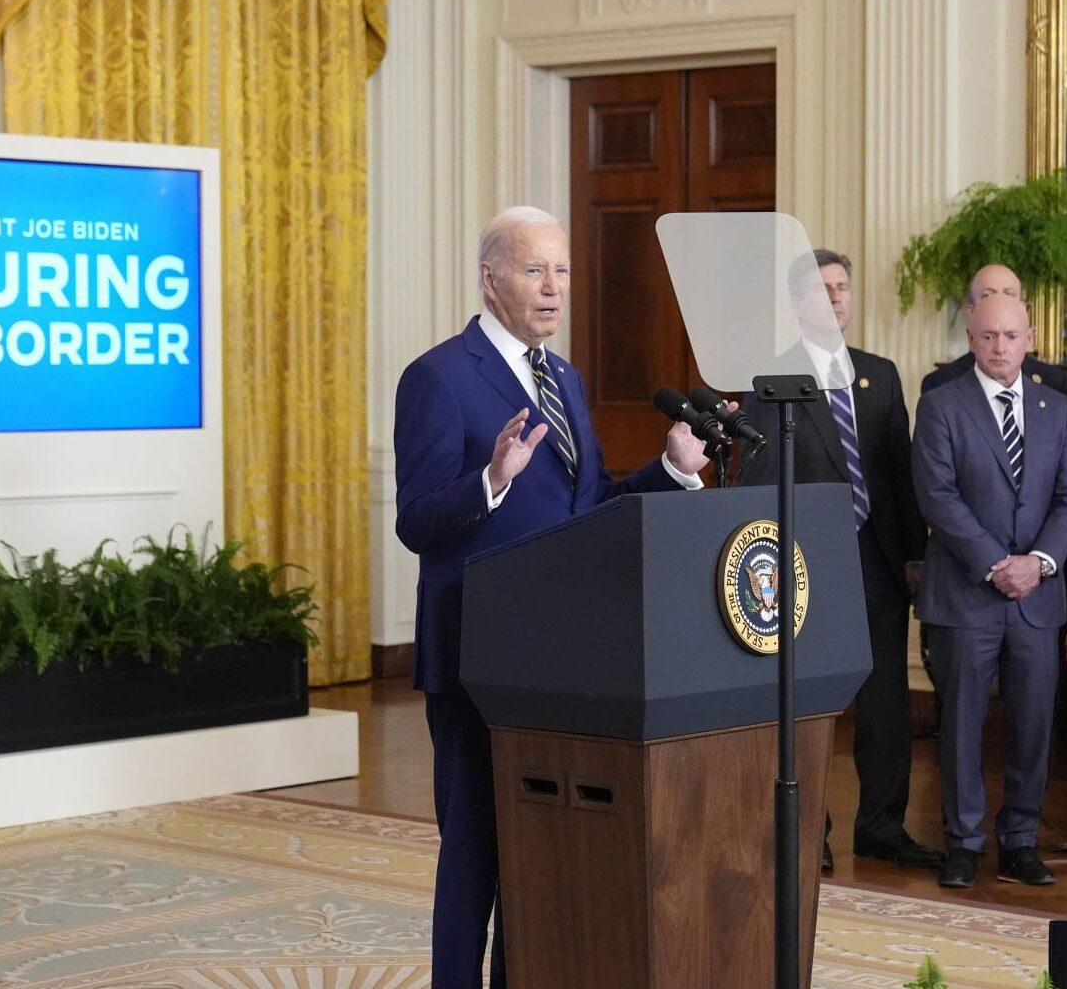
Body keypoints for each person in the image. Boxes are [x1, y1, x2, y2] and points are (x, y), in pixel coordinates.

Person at [393, 207, 712, 987]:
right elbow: (416, 521)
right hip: (477, 655)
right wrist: (490, 482)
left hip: (562, 659)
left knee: (540, 849)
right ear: (489, 277)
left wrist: (669, 471)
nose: (553, 288)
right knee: (475, 850)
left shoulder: (563, 377)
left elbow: (590, 500)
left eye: (562, 271)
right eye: (535, 270)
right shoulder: (437, 376)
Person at [740, 248, 938, 875]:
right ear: (797, 303)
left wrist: (914, 555)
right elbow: (759, 480)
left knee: (885, 707)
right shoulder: (770, 379)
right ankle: (808, 832)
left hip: (877, 565)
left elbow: (899, 475)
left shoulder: (878, 375)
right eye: (820, 289)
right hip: (806, 568)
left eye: (842, 287)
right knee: (807, 709)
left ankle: (882, 828)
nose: (833, 298)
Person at [913, 294, 1067, 888]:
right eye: (988, 337)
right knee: (961, 722)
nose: (1000, 347)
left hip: (1037, 597)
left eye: (1011, 336)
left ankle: (1020, 838)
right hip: (966, 595)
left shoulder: (1058, 408)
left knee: (1033, 722)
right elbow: (937, 496)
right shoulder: (940, 406)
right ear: (970, 338)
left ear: (1030, 337)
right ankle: (962, 842)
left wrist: (1037, 563)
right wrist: (996, 564)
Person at [919, 264, 1067, 395]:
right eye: (988, 295)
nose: (999, 302)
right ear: (971, 311)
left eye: (1009, 294)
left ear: (1024, 308)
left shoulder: (1052, 381)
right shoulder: (940, 383)